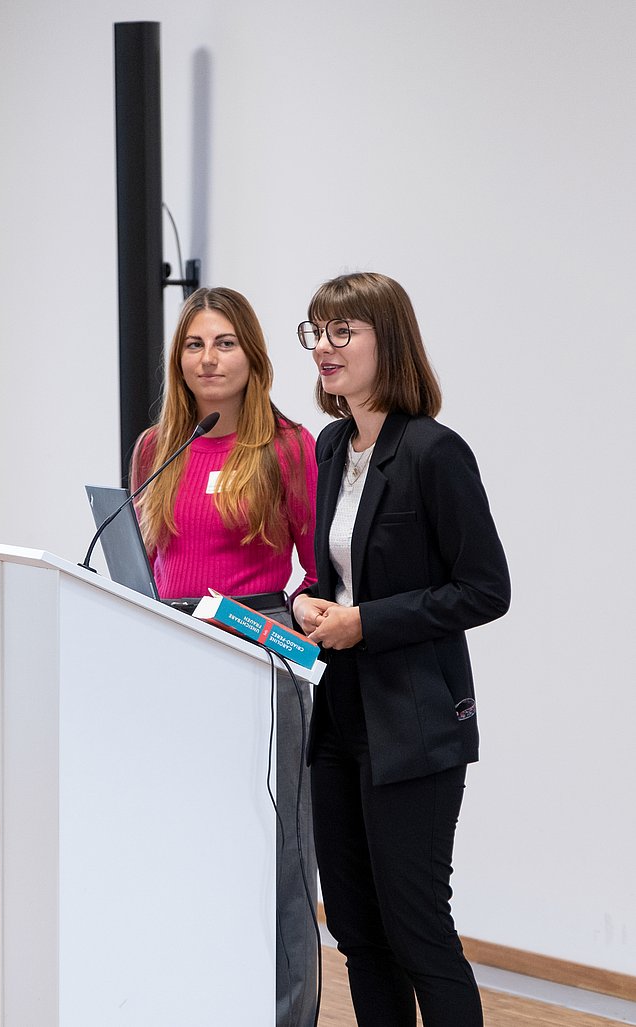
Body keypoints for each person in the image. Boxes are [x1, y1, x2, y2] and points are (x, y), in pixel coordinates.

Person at [292, 272, 511, 1027]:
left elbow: (485, 588)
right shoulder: (330, 447)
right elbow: (338, 572)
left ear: (390, 341)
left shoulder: (434, 452)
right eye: (316, 330)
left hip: (414, 725)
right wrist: (305, 598)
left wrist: (366, 622)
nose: (323, 346)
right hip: (340, 721)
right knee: (357, 932)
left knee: (418, 932)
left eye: (342, 331)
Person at [131, 287, 319, 1027]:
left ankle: (286, 1015)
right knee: (186, 846)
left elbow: (322, 573)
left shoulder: (288, 445)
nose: (208, 359)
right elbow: (150, 561)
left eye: (225, 343)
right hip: (174, 657)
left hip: (260, 658)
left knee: (279, 858)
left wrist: (285, 626)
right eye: (194, 345)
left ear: (253, 356)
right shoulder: (158, 446)